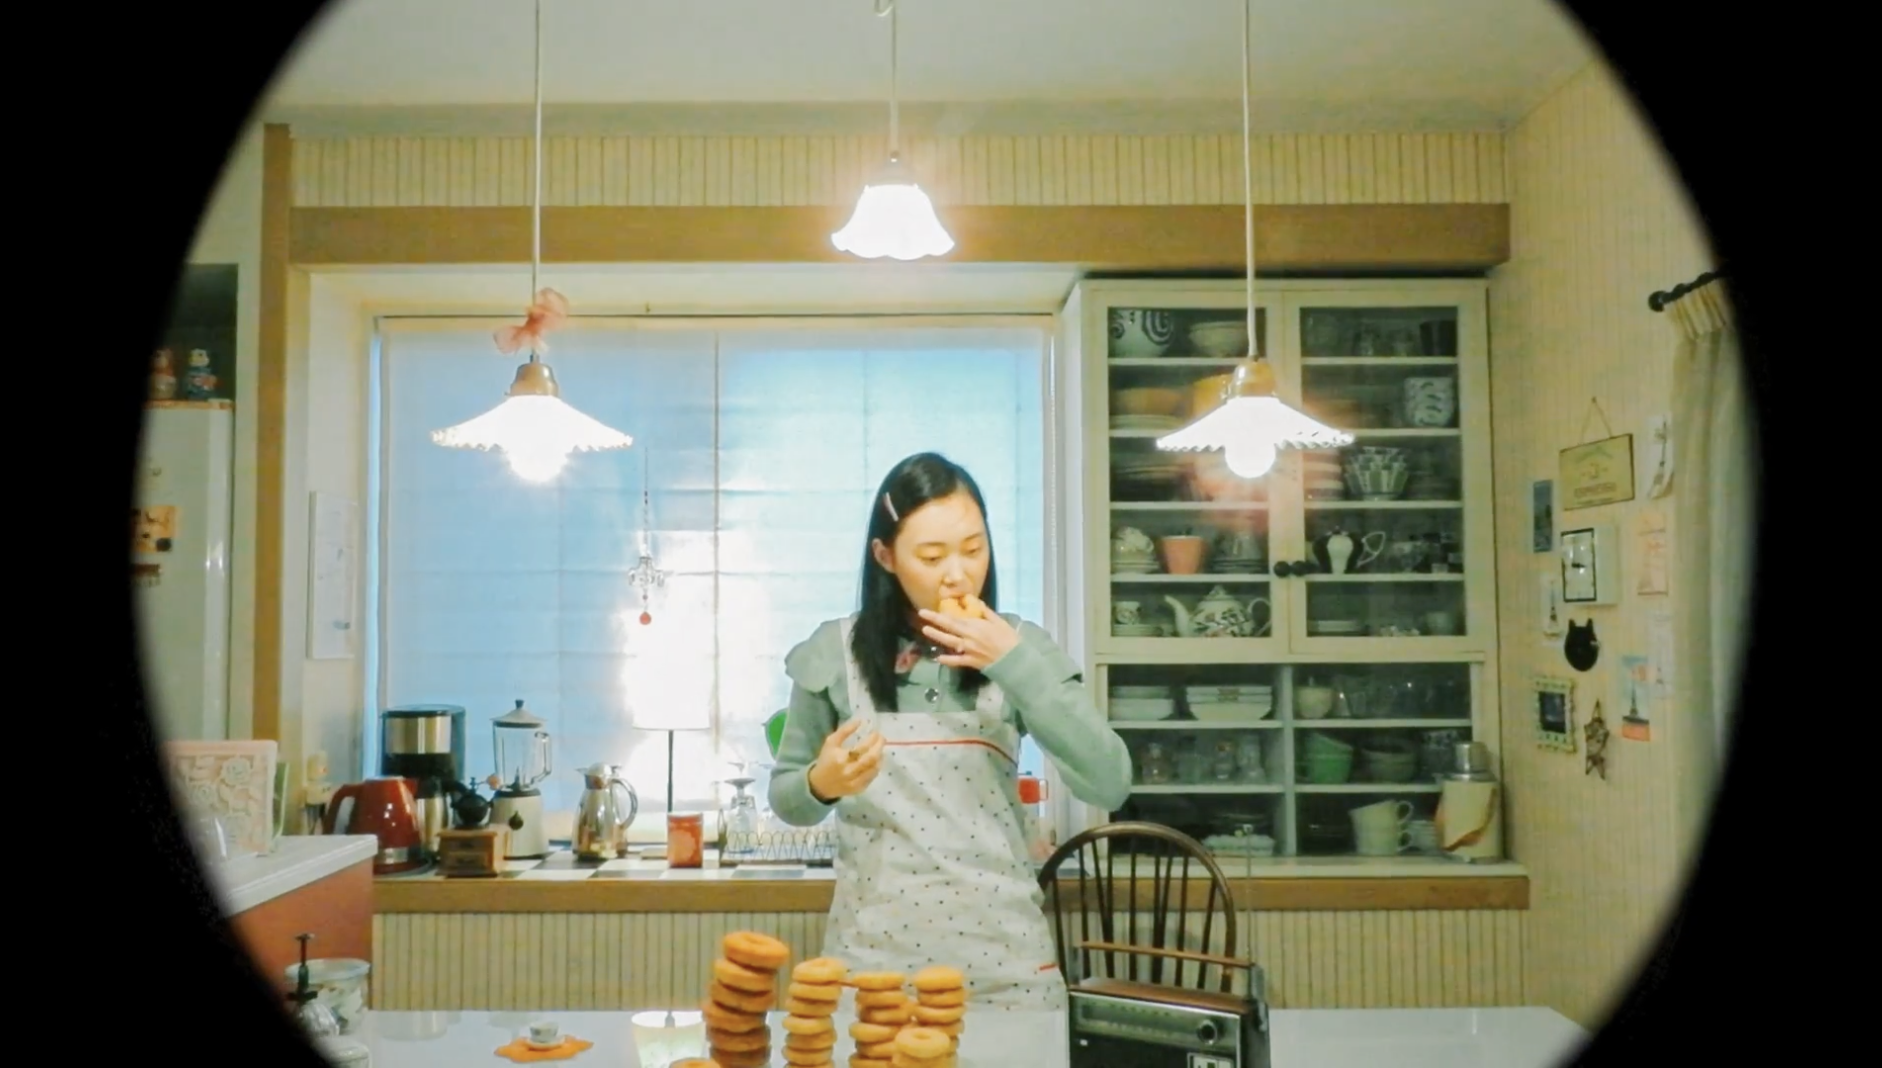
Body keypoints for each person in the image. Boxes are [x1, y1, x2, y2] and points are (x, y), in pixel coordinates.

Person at [766, 452, 1133, 1010]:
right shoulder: (834, 653)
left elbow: (1110, 782)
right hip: (873, 971)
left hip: (1007, 966)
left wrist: (1013, 663)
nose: (958, 574)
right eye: (932, 557)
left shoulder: (1020, 645)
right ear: (885, 556)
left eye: (974, 549)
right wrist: (821, 782)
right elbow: (787, 800)